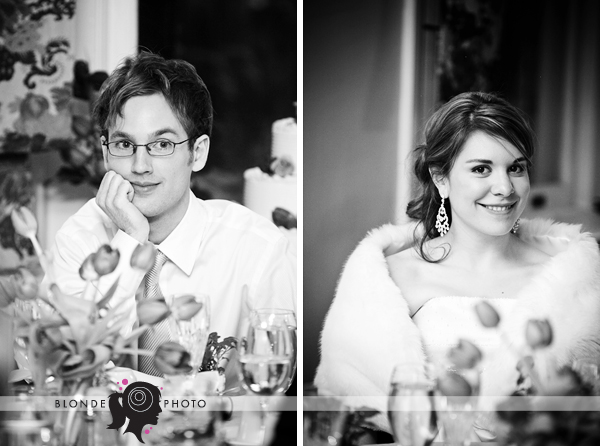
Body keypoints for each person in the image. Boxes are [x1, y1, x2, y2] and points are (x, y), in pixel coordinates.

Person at [315, 92, 600, 430]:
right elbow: (346, 415)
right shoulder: (389, 278)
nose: (504, 187)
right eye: (481, 169)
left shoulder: (574, 277)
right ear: (441, 178)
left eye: (516, 168)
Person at [45, 52, 296, 376]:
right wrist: (130, 241)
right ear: (106, 153)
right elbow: (67, 370)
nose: (140, 166)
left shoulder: (258, 251)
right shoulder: (79, 240)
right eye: (124, 145)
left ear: (198, 153)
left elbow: (275, 390)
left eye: (162, 144)